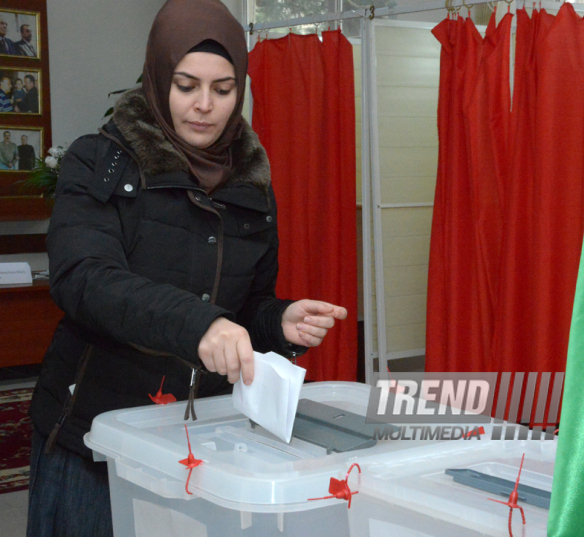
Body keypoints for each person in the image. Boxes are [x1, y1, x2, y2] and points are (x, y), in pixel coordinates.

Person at [27, 1, 347, 535]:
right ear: (157, 78)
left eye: (223, 90)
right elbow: (85, 278)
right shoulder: (98, 162)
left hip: (199, 438)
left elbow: (243, 307)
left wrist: (279, 320)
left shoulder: (252, 186)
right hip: (95, 431)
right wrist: (199, 326)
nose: (204, 106)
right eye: (185, 86)